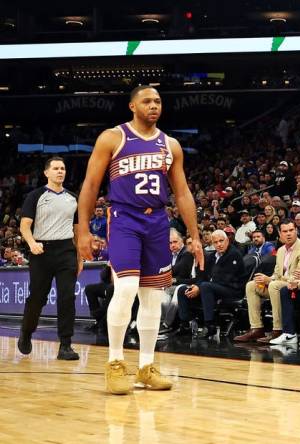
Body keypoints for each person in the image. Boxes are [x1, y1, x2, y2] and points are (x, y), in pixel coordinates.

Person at [77, 85, 204, 395]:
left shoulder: (170, 145)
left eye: (158, 101)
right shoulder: (113, 137)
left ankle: (146, 367)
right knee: (127, 287)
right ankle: (115, 363)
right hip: (124, 218)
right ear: (132, 105)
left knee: (152, 296)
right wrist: (82, 230)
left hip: (158, 220)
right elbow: (91, 185)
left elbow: (183, 192)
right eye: (147, 101)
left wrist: (195, 235)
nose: (153, 105)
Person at [17, 156, 81, 360]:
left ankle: (65, 345)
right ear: (46, 173)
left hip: (66, 251)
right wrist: (32, 243)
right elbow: (25, 225)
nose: (60, 171)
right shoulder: (35, 196)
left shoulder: (72, 197)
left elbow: (77, 230)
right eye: (56, 168)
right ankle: (26, 333)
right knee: (37, 298)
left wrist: (79, 257)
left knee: (67, 297)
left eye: (63, 168)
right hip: (41, 252)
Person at [177, 230, 245, 338]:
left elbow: (225, 279)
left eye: (221, 241)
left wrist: (200, 287)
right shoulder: (211, 256)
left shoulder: (234, 254)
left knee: (205, 286)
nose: (219, 244)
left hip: (232, 289)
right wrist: (196, 286)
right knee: (183, 290)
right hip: (212, 288)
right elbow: (202, 276)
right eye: (216, 242)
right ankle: (185, 325)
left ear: (227, 240)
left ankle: (209, 325)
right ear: (212, 244)